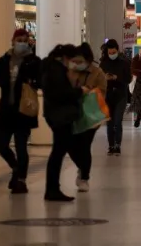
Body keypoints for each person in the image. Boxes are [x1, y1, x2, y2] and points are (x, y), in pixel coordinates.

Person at [0, 29, 41, 194]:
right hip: (5, 110)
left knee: (21, 147)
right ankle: (16, 168)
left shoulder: (34, 61)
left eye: (25, 40)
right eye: (19, 39)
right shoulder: (4, 60)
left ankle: (21, 180)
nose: (22, 42)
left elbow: (41, 81)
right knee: (1, 144)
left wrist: (32, 81)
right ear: (13, 40)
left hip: (23, 111)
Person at [42, 44, 88, 202]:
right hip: (60, 116)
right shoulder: (55, 70)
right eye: (73, 59)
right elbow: (60, 94)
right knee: (58, 152)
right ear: (65, 58)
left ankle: (53, 188)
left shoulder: (53, 68)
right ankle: (52, 189)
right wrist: (79, 91)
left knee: (59, 151)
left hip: (58, 115)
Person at [68, 43, 107, 193]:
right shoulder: (71, 71)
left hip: (91, 115)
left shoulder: (97, 73)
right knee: (70, 145)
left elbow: (103, 92)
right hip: (72, 114)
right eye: (75, 61)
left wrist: (88, 91)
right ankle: (82, 167)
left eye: (80, 61)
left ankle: (84, 177)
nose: (77, 64)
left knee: (84, 146)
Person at [100, 38, 132, 155]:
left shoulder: (124, 63)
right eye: (110, 53)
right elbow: (99, 79)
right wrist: (105, 78)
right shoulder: (103, 63)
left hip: (120, 95)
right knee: (110, 122)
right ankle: (111, 145)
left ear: (117, 51)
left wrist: (116, 78)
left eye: (113, 53)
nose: (111, 55)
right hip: (108, 96)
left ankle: (118, 145)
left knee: (118, 121)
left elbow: (128, 79)